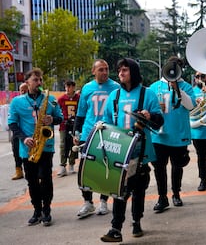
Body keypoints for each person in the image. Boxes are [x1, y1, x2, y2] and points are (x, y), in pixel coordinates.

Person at [100, 58, 164, 243]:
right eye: (119, 70)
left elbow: (160, 121)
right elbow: (107, 122)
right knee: (119, 190)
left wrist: (150, 115)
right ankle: (115, 228)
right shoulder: (114, 96)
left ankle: (136, 220)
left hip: (140, 150)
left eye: (125, 70)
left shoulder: (147, 93)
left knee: (138, 189)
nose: (120, 73)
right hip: (121, 150)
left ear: (133, 72)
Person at [8, 68, 63, 226]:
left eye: (40, 80)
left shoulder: (50, 99)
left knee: (46, 180)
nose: (39, 83)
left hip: (46, 146)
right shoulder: (17, 102)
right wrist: (24, 138)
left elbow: (60, 118)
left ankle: (46, 210)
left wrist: (52, 119)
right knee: (31, 181)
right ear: (27, 82)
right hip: (27, 148)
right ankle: (37, 210)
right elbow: (12, 123)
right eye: (35, 80)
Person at [73, 59, 120, 218]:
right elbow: (80, 113)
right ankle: (87, 202)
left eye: (106, 69)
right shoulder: (87, 88)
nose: (105, 72)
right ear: (93, 71)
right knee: (85, 168)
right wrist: (76, 133)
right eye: (101, 69)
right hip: (88, 132)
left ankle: (103, 201)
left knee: (104, 167)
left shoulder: (115, 87)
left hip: (106, 132)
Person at [149, 56, 196, 212]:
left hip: (179, 134)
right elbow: (147, 110)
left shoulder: (186, 87)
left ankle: (176, 193)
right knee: (159, 168)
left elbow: (190, 106)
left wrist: (177, 88)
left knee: (177, 167)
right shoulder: (154, 87)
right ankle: (162, 197)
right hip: (159, 135)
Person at [57, 80, 80, 177]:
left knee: (74, 144)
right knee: (63, 145)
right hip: (64, 125)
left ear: (73, 87)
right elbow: (57, 111)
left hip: (75, 125)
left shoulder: (78, 98)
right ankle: (63, 165)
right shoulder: (61, 98)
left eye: (70, 87)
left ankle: (71, 164)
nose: (68, 89)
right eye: (66, 87)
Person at [10, 82, 28, 180]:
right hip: (17, 132)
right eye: (22, 90)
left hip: (28, 132)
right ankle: (18, 170)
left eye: (25, 90)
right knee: (16, 151)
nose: (23, 92)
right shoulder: (16, 102)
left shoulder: (31, 102)